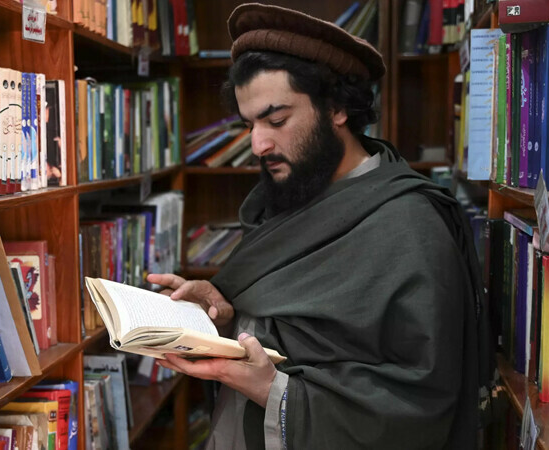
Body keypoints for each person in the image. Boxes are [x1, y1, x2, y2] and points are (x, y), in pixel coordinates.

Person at [148, 4, 493, 449]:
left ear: (336, 109)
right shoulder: (291, 193)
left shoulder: (409, 226)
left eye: (276, 120)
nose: (258, 144)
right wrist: (224, 314)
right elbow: (288, 326)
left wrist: (272, 390)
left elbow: (419, 402)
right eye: (249, 125)